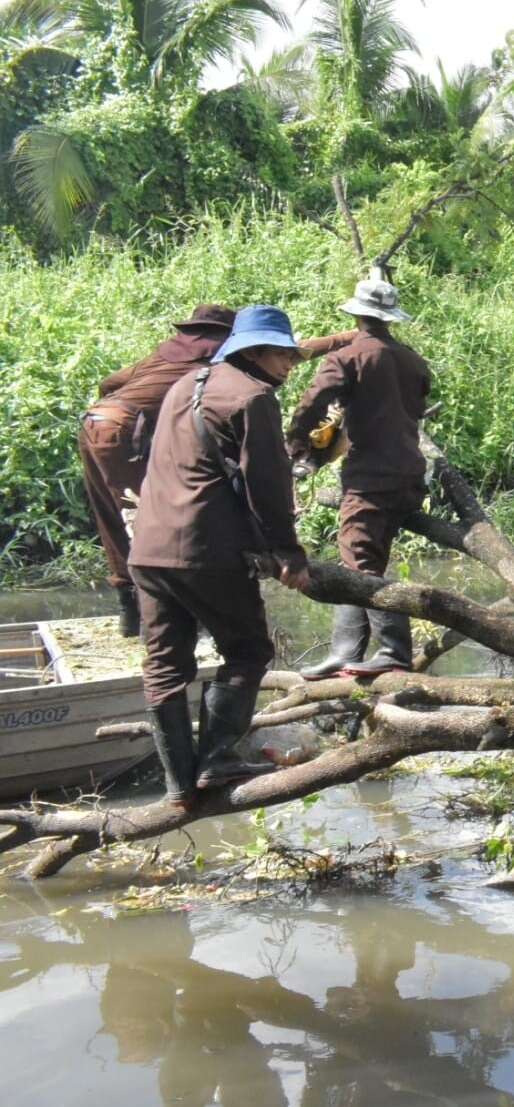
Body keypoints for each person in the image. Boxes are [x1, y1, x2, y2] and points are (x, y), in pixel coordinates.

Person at [128, 305, 314, 808]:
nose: (289, 366)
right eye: (283, 356)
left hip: (147, 548)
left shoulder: (186, 384)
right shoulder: (254, 397)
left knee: (165, 664)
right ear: (254, 352)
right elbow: (267, 484)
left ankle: (177, 787)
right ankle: (216, 761)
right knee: (248, 650)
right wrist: (287, 551)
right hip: (204, 550)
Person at [80, 307, 355, 636]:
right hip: (126, 430)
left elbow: (110, 381)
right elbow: (292, 351)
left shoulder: (170, 351)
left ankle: (131, 615)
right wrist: (347, 338)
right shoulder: (220, 358)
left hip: (94, 421)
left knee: (114, 519)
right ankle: (155, 614)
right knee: (147, 517)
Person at [287, 269, 433, 679]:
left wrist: (296, 449)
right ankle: (346, 650)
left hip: (372, 480)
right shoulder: (413, 361)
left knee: (359, 561)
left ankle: (392, 650)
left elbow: (314, 405)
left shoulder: (347, 357)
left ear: (357, 317)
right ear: (389, 318)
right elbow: (414, 410)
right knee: (359, 559)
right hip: (409, 477)